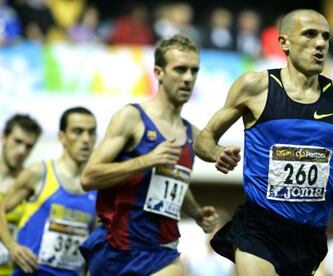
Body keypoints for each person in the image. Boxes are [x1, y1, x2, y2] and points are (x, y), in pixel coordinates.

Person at [195, 9, 333, 276]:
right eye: (310, 34)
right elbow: (204, 138)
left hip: (310, 236)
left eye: (326, 37)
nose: (321, 43)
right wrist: (216, 153)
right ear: (284, 42)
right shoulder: (256, 86)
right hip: (259, 228)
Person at [79, 34, 219, 276]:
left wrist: (195, 212)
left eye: (193, 71)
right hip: (116, 246)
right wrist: (148, 159)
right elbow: (89, 177)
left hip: (160, 251)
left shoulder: (190, 134)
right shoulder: (132, 118)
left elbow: (173, 181)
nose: (188, 78)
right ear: (159, 72)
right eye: (180, 69)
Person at [0, 107, 97, 275]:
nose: (86, 139)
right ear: (62, 137)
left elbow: (93, 243)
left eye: (91, 132)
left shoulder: (99, 187)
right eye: (78, 132)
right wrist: (12, 246)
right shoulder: (38, 173)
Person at [0, 114, 42, 275]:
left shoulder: (32, 185)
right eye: (17, 141)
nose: (21, 151)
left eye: (29, 146)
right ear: (4, 137)